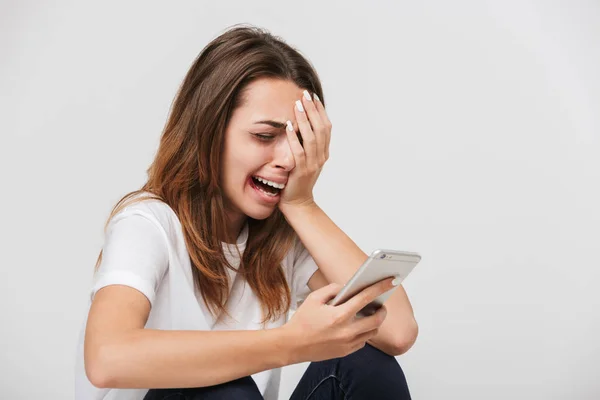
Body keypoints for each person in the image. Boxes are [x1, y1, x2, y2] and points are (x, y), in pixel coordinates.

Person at [74, 24, 418, 400]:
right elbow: (107, 358)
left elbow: (397, 332)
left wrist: (302, 205)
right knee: (225, 391)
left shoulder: (277, 242)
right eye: (265, 137)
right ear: (208, 132)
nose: (288, 159)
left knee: (365, 364)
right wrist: (291, 343)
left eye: (300, 141)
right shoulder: (147, 225)